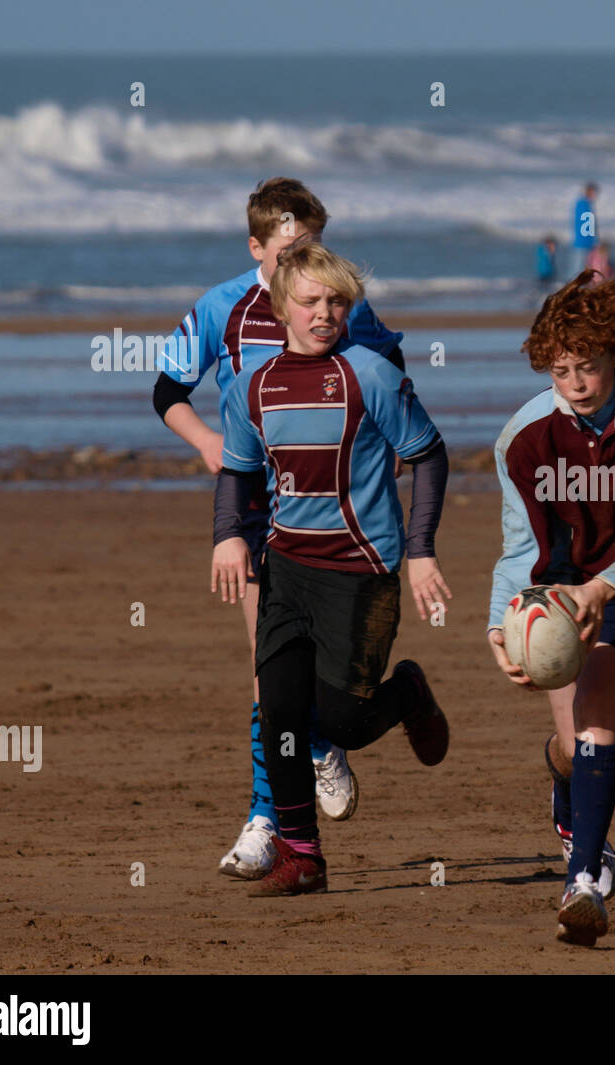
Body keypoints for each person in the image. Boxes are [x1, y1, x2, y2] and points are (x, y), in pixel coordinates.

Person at [152, 177, 406, 880]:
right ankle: (269, 818)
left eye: (317, 244)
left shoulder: (335, 304)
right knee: (268, 672)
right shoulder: (223, 307)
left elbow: (391, 373)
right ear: (257, 245)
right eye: (293, 248)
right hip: (259, 505)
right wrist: (209, 445)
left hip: (334, 508)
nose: (310, 260)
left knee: (322, 681)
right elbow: (168, 389)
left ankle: (324, 741)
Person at [211, 240, 451, 896]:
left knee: (342, 721)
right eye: (312, 300)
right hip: (285, 566)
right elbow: (236, 472)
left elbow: (429, 456)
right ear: (279, 305)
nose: (325, 313)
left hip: (361, 569)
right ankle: (303, 856)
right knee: (281, 712)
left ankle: (407, 692)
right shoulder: (250, 388)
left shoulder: (370, 374)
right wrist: (228, 538)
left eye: (337, 301)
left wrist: (422, 548)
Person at [487, 271, 615, 947]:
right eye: (561, 370)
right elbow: (519, 544)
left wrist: (606, 587)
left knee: (596, 696)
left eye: (588, 366)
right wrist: (502, 625)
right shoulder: (522, 439)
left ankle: (583, 878)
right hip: (558, 589)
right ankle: (569, 801)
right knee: (568, 741)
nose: (576, 382)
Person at [569, 183, 599, 279]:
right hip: (583, 241)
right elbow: (586, 224)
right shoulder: (583, 203)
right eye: (594, 192)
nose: (595, 195)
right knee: (577, 268)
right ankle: (572, 288)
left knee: (581, 267)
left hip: (585, 241)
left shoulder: (585, 203)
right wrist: (593, 241)